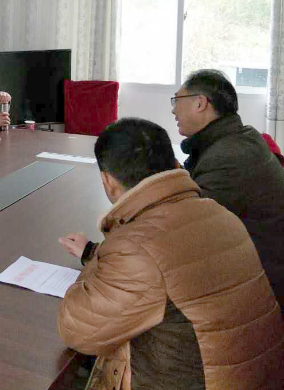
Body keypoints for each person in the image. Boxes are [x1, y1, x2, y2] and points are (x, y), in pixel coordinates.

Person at [57, 118, 283, 390]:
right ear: (174, 164)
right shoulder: (219, 212)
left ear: (107, 180)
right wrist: (100, 252)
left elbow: (75, 329)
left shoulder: (136, 248)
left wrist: (106, 250)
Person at [172, 69, 284, 306]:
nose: (173, 110)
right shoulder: (242, 137)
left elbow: (184, 231)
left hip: (262, 290)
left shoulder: (227, 157)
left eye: (176, 100)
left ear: (200, 103)